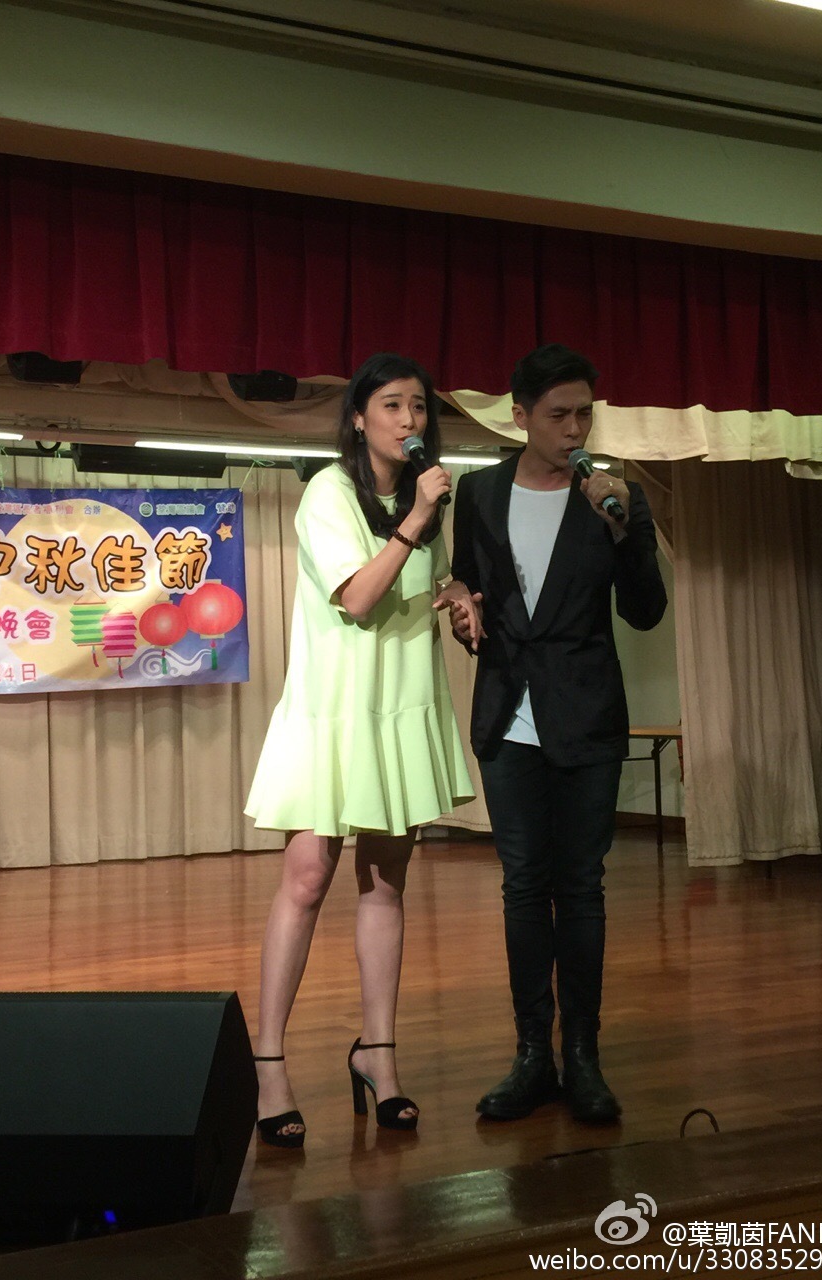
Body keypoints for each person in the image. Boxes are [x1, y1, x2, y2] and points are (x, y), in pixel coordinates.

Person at [245, 352, 478, 1147]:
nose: (409, 420)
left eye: (419, 406)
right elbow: (358, 597)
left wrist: (456, 596)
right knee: (307, 878)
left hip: (399, 709)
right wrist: (416, 520)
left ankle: (378, 1055)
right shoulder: (329, 493)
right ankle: (268, 1064)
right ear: (358, 418)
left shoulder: (425, 507)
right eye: (391, 405)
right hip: (336, 711)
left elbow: (416, 589)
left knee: (385, 882)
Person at [448, 343, 667, 1125]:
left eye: (584, 415)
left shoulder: (616, 497)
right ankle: (530, 1054)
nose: (575, 429)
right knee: (521, 886)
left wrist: (624, 532)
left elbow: (645, 610)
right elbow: (469, 582)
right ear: (520, 416)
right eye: (558, 415)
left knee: (580, 888)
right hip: (509, 716)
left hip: (586, 715)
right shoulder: (478, 492)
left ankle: (583, 1055)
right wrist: (462, 610)